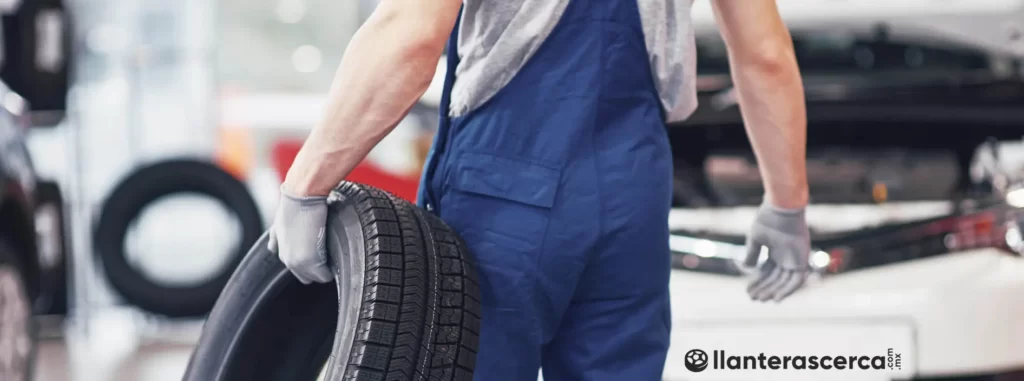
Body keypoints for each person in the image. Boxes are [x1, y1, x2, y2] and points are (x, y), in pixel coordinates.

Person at [267, 0, 811, 379]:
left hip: (504, 191)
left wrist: (306, 185)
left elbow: (408, 35)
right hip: (634, 190)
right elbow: (764, 54)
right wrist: (786, 203)